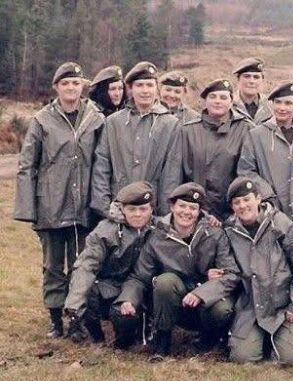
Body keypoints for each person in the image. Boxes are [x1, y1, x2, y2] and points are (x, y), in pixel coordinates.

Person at [14, 62, 105, 339]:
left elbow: (103, 162)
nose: (71, 88)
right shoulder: (42, 120)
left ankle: (76, 319)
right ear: (56, 87)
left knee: (81, 266)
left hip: (83, 207)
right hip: (50, 207)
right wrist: (29, 210)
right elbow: (27, 165)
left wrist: (101, 203)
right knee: (53, 267)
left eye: (76, 83)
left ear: (82, 86)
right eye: (65, 83)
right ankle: (55, 319)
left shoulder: (95, 118)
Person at [116, 183, 239, 356]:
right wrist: (128, 299)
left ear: (200, 211)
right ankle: (162, 341)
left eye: (193, 208)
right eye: (182, 206)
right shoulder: (157, 236)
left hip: (204, 302)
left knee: (223, 309)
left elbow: (231, 273)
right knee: (165, 281)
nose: (187, 212)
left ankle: (208, 339)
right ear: (172, 206)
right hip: (174, 302)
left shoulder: (215, 234)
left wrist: (201, 293)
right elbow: (139, 277)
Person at [224, 178, 293, 365]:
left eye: (247, 199)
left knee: (289, 359)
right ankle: (257, 340)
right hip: (251, 308)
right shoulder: (229, 231)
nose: (243, 206)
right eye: (237, 202)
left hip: (283, 307)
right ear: (232, 207)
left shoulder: (282, 225)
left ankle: (284, 338)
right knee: (242, 358)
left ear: (258, 199)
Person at [63, 182, 155, 349]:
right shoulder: (104, 231)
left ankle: (139, 334)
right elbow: (87, 265)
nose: (138, 214)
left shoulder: (159, 229)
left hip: (143, 287)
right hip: (110, 286)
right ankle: (95, 336)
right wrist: (74, 305)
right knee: (87, 288)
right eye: (132, 209)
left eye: (143, 209)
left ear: (151, 209)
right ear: (122, 209)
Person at [237, 81, 293, 236]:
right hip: (269, 215)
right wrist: (268, 196)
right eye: (278, 102)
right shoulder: (256, 135)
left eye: (288, 103)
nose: (282, 108)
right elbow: (246, 170)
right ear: (271, 104)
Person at [91, 61, 182, 218]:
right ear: (130, 89)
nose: (145, 91)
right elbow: (102, 166)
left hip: (153, 211)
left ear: (157, 89)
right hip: (118, 209)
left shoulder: (170, 125)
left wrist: (164, 215)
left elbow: (171, 175)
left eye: (149, 85)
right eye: (139, 85)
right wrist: (105, 208)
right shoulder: (113, 122)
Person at [181, 78, 254, 220]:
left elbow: (249, 171)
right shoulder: (188, 131)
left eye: (223, 97)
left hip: (233, 211)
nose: (217, 101)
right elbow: (179, 173)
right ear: (205, 101)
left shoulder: (246, 128)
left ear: (231, 101)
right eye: (212, 97)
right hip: (196, 210)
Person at [232, 57, 272, 124]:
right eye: (247, 76)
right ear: (238, 79)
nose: (251, 81)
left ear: (262, 80)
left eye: (256, 77)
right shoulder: (228, 104)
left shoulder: (271, 106)